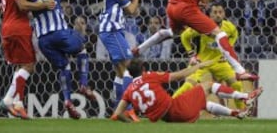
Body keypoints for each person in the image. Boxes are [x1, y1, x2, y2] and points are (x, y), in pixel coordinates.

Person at [132, 0, 258, 81]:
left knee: (174, 33)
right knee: (219, 33)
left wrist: (198, 1)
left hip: (172, 5)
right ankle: (239, 70)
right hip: (185, 8)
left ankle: (139, 49)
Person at [25, 0, 91, 119]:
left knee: (64, 65)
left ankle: (67, 100)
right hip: (59, 33)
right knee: (82, 49)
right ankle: (83, 84)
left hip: (43, 40)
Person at [0, 0, 55, 119]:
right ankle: (8, 100)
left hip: (7, 28)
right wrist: (44, 4)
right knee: (29, 65)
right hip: (18, 28)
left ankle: (18, 104)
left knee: (20, 67)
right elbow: (22, 5)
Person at [111, 59, 263, 123]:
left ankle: (237, 113)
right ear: (143, 69)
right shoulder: (149, 77)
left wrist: (131, 125)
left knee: (201, 102)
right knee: (208, 85)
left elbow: (117, 115)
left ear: (130, 74)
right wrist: (199, 65)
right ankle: (245, 97)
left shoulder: (129, 90)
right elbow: (180, 76)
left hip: (170, 119)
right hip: (176, 109)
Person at [172, 3, 245, 109]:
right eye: (214, 12)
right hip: (202, 63)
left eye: (220, 12)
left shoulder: (229, 27)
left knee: (237, 85)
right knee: (188, 85)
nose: (218, 15)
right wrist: (191, 54)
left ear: (224, 14)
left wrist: (228, 48)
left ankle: (242, 111)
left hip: (220, 62)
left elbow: (234, 34)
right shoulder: (201, 25)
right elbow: (184, 36)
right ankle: (169, 106)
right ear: (209, 15)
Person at [98, 0, 146, 121]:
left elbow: (132, 11)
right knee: (129, 68)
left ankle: (117, 110)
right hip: (112, 30)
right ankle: (128, 109)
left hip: (112, 31)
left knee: (120, 72)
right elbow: (131, 11)